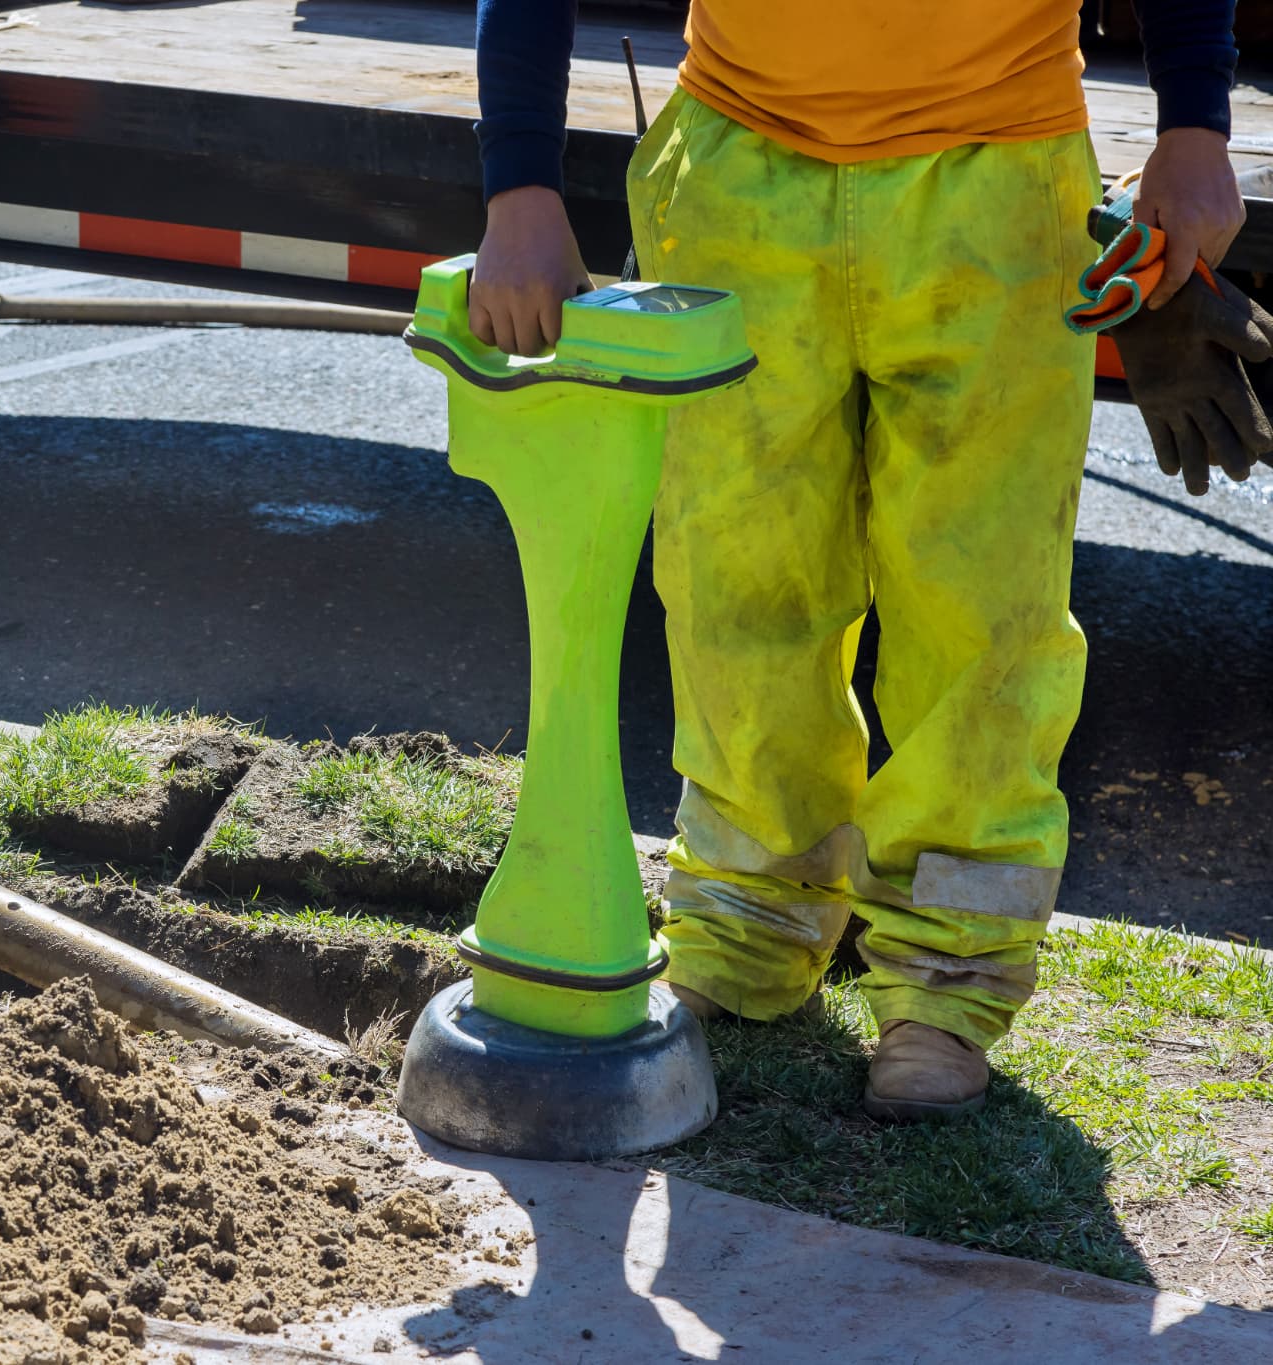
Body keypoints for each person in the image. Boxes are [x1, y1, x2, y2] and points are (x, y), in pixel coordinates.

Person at [468, 1, 1245, 1119]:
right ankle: (745, 918)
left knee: (981, 600)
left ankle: (947, 975)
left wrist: (1194, 127)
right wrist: (520, 184)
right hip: (739, 170)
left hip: (997, 179)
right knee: (736, 572)